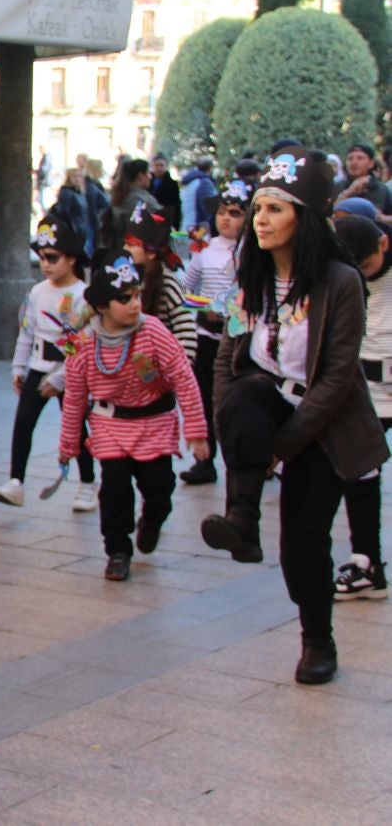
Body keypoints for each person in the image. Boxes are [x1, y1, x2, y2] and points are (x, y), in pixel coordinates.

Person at [207, 149, 387, 685]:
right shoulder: (250, 277)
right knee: (241, 394)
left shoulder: (340, 281)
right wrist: (229, 427)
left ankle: (317, 641)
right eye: (258, 207)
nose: (260, 219)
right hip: (263, 401)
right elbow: (225, 356)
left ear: (304, 217)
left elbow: (336, 377)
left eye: (275, 209)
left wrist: (282, 444)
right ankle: (241, 520)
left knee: (303, 542)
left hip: (322, 423)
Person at [60, 252, 209, 581]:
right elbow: (73, 396)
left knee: (159, 486)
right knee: (114, 488)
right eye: (124, 299)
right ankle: (117, 550)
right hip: (109, 424)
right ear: (101, 307)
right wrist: (69, 443)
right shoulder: (83, 343)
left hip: (154, 422)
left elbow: (183, 378)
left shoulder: (154, 331)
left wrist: (196, 431)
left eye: (137, 295)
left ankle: (152, 520)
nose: (134, 304)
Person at [0, 215, 97, 511]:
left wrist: (61, 378)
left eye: (53, 257)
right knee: (23, 423)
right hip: (38, 367)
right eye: (41, 257)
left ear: (71, 259)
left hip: (71, 371)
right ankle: (15, 481)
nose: (46, 264)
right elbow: (26, 332)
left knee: (76, 427)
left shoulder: (82, 296)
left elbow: (85, 341)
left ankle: (88, 483)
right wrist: (17, 367)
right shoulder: (37, 291)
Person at [331, 214, 392, 600]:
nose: (362, 274)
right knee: (360, 472)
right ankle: (368, 565)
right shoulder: (341, 277)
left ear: (383, 245)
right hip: (366, 388)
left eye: (367, 266)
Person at [180, 179, 253, 486]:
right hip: (207, 336)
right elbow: (185, 289)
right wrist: (205, 306)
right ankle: (204, 461)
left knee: (241, 402)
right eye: (222, 211)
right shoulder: (205, 250)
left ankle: (249, 460)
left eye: (235, 213)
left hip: (243, 338)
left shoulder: (254, 252)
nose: (226, 218)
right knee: (205, 397)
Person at [123, 203, 196, 362]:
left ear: (150, 253)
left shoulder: (168, 284)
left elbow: (187, 332)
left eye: (131, 244)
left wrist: (177, 371)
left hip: (162, 372)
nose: (124, 248)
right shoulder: (125, 281)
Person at [103, 159, 161, 250]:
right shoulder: (135, 199)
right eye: (148, 173)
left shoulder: (127, 195)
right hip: (136, 252)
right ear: (140, 176)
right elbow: (140, 230)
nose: (150, 176)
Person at [333, 142, 392, 223]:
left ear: (371, 163)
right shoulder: (336, 186)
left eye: (360, 158)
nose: (354, 162)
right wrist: (349, 192)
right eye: (350, 158)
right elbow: (329, 215)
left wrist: (383, 218)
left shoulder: (382, 190)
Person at [53, 168, 92, 254]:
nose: (78, 179)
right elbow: (63, 214)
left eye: (80, 176)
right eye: (75, 176)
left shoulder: (80, 192)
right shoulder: (67, 192)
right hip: (74, 229)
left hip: (82, 229)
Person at [179, 156, 219, 239]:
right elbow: (209, 210)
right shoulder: (204, 183)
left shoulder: (191, 181)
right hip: (197, 234)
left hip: (186, 229)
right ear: (211, 169)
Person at [149, 153, 181, 228]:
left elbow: (176, 205)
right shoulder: (148, 181)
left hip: (165, 219)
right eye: (156, 165)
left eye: (161, 165)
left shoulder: (172, 184)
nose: (159, 168)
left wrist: (175, 225)